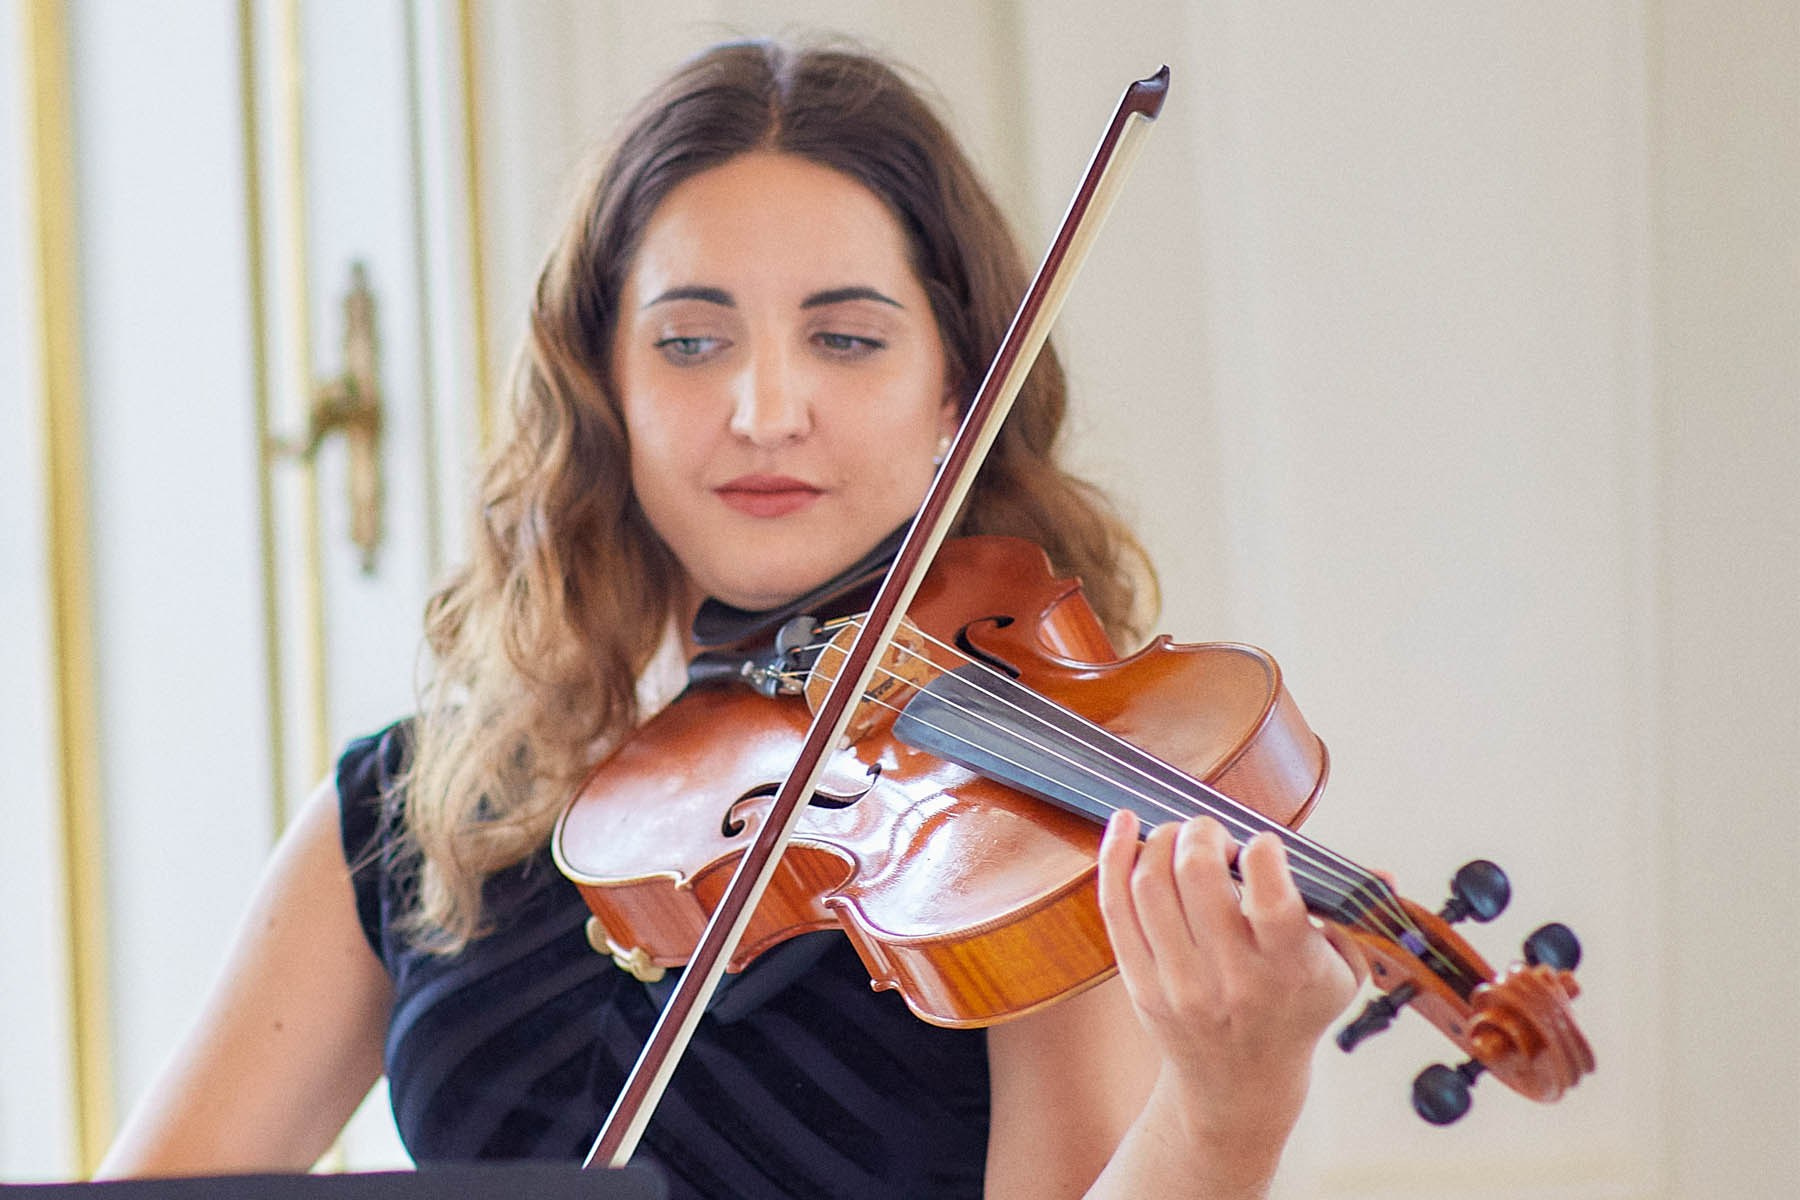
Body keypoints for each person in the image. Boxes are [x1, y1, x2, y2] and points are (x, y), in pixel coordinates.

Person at [99, 40, 1362, 1199]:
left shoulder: (1025, 829)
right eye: (692, 342)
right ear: (605, 387)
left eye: (848, 339)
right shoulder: (403, 812)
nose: (765, 408)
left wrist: (1227, 1108)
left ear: (954, 398)